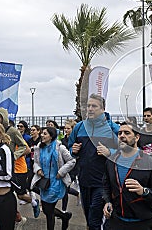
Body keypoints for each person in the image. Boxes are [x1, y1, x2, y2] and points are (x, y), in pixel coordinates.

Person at [102, 122, 152, 229]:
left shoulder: (149, 162)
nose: (122, 136)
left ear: (137, 137)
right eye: (119, 133)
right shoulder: (111, 161)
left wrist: (144, 191)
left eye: (127, 133)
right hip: (116, 221)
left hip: (141, 223)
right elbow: (106, 185)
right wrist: (107, 201)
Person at [68, 94, 118, 229]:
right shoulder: (79, 127)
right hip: (84, 180)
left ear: (103, 109)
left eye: (94, 106)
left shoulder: (113, 128)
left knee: (94, 219)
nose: (90, 109)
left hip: (103, 182)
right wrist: (73, 150)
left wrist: (109, 152)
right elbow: (70, 147)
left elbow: (126, 152)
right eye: (88, 106)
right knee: (90, 219)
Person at [0, 108, 35, 228]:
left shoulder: (12, 131)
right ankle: (15, 218)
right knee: (1, 195)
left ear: (4, 118)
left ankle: (3, 221)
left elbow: (24, 147)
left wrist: (12, 156)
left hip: (13, 169)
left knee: (11, 194)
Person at [31, 126, 75, 230]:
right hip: (44, 182)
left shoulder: (60, 148)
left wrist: (61, 172)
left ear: (51, 136)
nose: (42, 135)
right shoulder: (39, 148)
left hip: (56, 182)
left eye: (45, 133)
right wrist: (38, 170)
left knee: (49, 210)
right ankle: (65, 216)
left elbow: (72, 161)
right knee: (47, 210)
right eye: (42, 133)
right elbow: (36, 163)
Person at [60, 119, 81, 211]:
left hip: (74, 167)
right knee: (65, 187)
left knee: (65, 188)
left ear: (73, 129)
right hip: (64, 166)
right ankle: (77, 193)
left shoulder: (77, 140)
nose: (66, 130)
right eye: (65, 128)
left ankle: (64, 211)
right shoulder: (62, 140)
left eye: (68, 128)